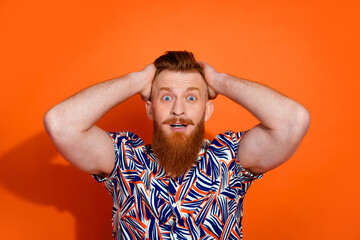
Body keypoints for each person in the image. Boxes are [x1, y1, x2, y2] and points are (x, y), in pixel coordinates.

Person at [44, 51, 310, 239]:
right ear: (150, 109)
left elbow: (293, 121)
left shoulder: (231, 159)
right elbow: (60, 123)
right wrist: (138, 79)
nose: (178, 110)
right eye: (167, 97)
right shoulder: (124, 159)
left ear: (207, 110)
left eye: (192, 98)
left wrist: (218, 80)